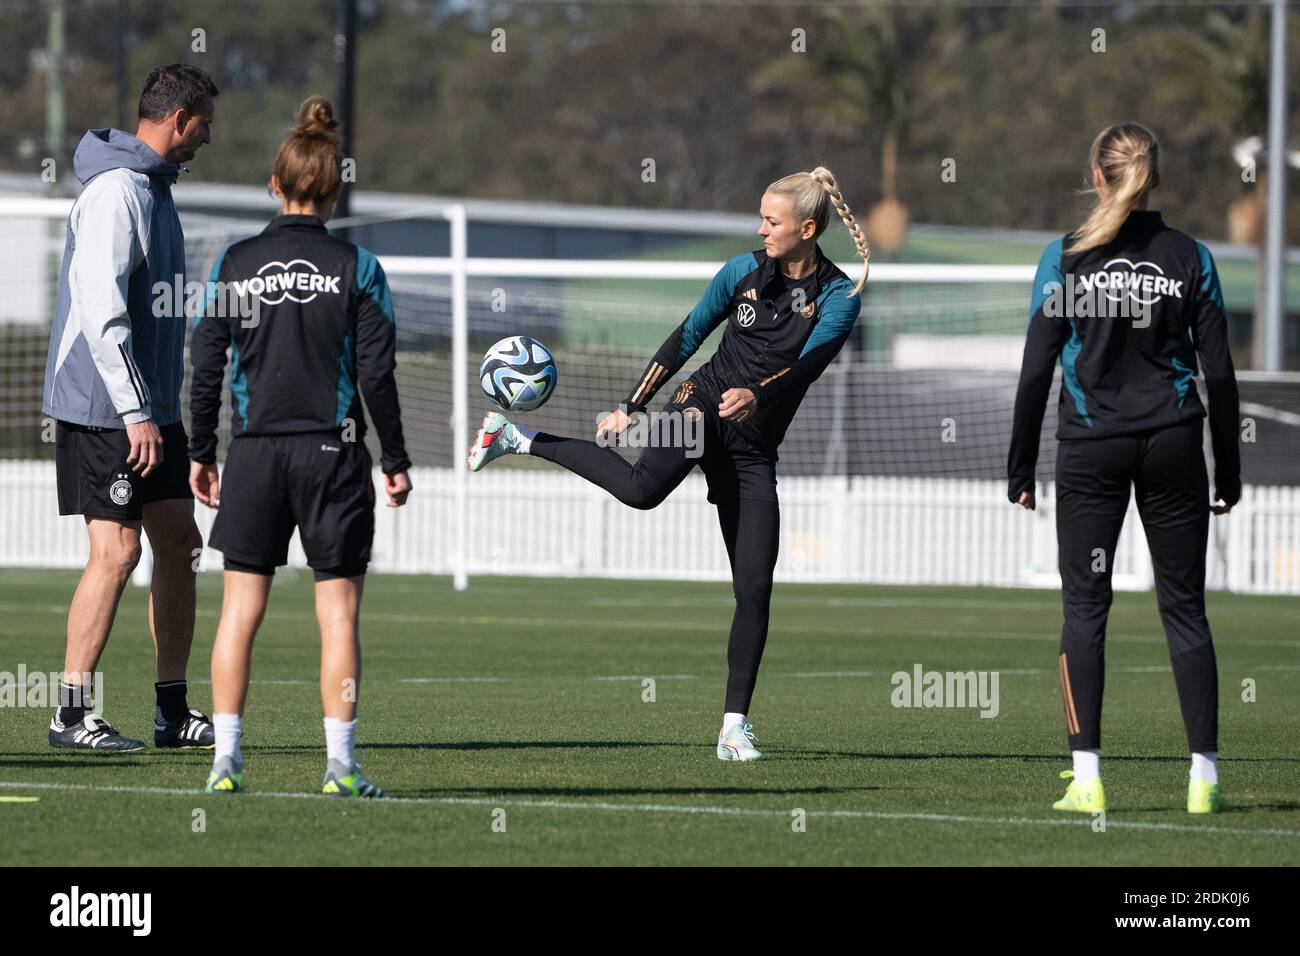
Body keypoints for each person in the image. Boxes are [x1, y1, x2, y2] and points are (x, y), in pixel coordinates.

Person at [469, 167, 868, 761]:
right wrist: (634, 404)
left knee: (755, 587)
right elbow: (687, 337)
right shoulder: (740, 273)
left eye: (772, 221)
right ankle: (520, 437)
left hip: (754, 446)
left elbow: (807, 367)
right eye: (760, 217)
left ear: (808, 229)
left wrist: (758, 395)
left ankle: (734, 728)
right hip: (699, 405)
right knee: (641, 489)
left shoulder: (838, 298)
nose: (761, 229)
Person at [1007, 122, 1240, 815]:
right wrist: (1229, 468)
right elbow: (1220, 375)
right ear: (1155, 177)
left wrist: (1018, 466)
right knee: (1186, 611)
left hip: (1091, 449)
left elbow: (1035, 370)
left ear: (1099, 176)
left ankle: (1088, 779)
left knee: (1085, 608)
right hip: (1174, 443)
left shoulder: (1065, 257)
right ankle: (1203, 780)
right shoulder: (1191, 256)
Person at [188, 96, 412, 796]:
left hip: (253, 455)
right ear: (334, 189)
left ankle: (226, 761)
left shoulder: (234, 261)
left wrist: (201, 450)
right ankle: (341, 768)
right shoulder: (360, 266)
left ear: (274, 186)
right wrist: (396, 460)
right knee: (337, 614)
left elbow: (206, 362)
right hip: (332, 456)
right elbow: (376, 373)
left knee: (238, 612)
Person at [42, 63, 219, 752]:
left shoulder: (155, 189)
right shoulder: (117, 192)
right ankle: (70, 712)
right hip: (105, 409)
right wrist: (134, 412)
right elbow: (100, 311)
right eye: (205, 121)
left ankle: (171, 713)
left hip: (152, 411)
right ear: (179, 119)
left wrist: (162, 416)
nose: (209, 135)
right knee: (115, 551)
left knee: (179, 544)